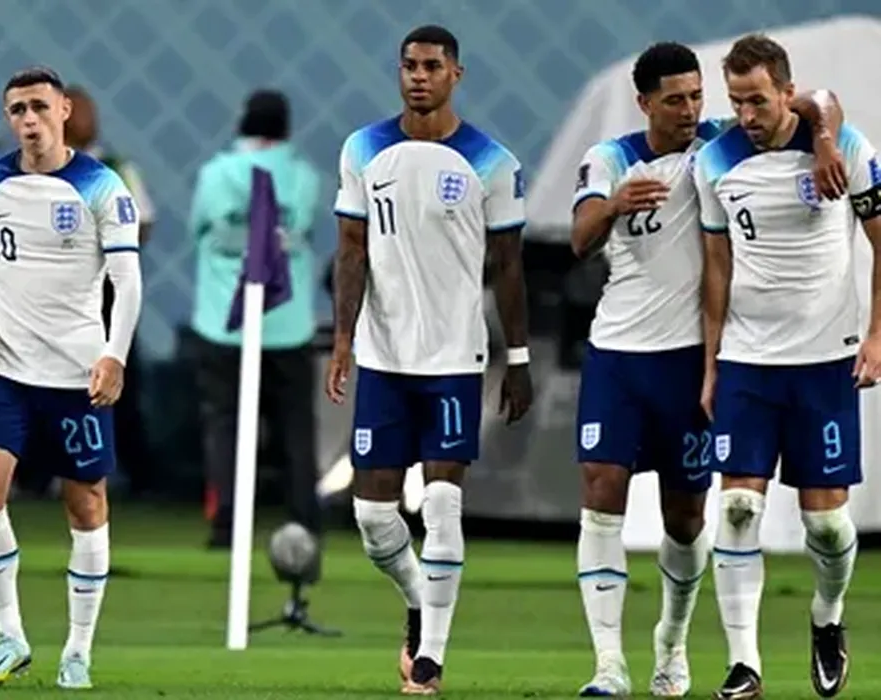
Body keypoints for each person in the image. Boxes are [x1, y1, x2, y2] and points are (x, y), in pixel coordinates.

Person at [569, 42, 844, 698]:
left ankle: (671, 641)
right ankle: (608, 664)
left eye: (697, 96)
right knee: (601, 491)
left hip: (692, 359)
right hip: (618, 355)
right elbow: (579, 237)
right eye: (675, 100)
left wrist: (825, 139)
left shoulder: (722, 145)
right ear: (644, 103)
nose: (691, 109)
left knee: (686, 518)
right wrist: (614, 205)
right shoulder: (612, 159)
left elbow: (816, 101)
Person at [325, 24, 534, 695]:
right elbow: (351, 250)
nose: (419, 76)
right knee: (373, 520)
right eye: (410, 65)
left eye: (432, 66)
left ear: (456, 75)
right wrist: (343, 339)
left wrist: (519, 357)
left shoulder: (492, 162)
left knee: (442, 506)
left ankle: (431, 659)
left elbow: (508, 265)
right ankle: (420, 602)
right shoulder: (363, 148)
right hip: (385, 358)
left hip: (454, 357)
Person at [694, 34, 881, 700]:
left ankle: (827, 617)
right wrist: (712, 363)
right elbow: (717, 267)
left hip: (825, 360)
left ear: (786, 91)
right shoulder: (714, 162)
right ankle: (743, 665)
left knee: (825, 525)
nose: (746, 115)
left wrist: (878, 335)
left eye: (758, 100)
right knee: (739, 507)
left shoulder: (845, 146)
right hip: (748, 361)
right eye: (736, 101)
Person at [0, 67, 142, 691]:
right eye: (17, 110)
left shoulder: (101, 186)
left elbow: (126, 281)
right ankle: (9, 635)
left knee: (85, 503)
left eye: (39, 106)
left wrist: (114, 355)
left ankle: (78, 649)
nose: (29, 119)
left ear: (64, 109)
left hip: (75, 374)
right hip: (7, 368)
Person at [189, 89, 322, 549]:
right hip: (288, 323)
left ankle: (226, 523)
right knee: (295, 430)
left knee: (224, 426)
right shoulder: (304, 177)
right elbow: (304, 228)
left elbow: (197, 229)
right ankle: (305, 522)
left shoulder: (216, 174)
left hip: (222, 321)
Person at [64, 84, 156, 495]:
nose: (89, 121)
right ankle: (42, 472)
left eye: (91, 113)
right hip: (54, 290)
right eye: (80, 113)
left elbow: (144, 222)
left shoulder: (117, 169)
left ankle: (135, 471)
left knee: (119, 375)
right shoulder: (38, 169)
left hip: (106, 289)